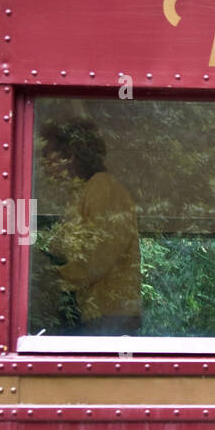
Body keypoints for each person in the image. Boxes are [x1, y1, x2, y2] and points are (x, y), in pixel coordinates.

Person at [39, 118, 142, 334]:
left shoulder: (103, 187)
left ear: (69, 155)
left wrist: (52, 281)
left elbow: (97, 257)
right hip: (93, 313)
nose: (43, 162)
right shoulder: (81, 194)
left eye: (47, 153)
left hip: (109, 316)